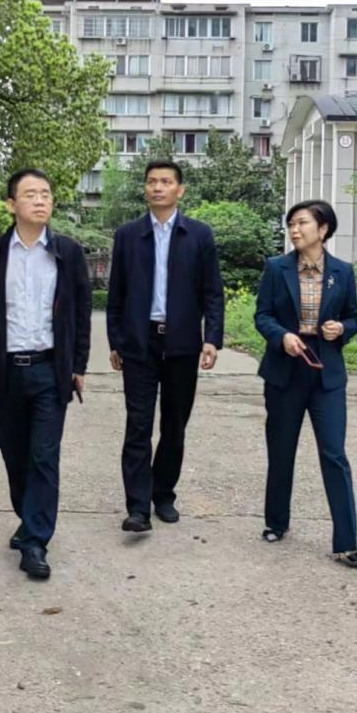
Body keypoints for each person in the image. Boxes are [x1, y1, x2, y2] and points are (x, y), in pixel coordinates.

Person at [0, 168, 90, 581]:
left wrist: (78, 365)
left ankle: (36, 540)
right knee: (14, 454)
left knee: (44, 456)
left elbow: (81, 313)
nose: (40, 200)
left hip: (49, 371)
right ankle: (28, 518)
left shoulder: (67, 251)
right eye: (30, 194)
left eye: (46, 194)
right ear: (11, 204)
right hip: (6, 372)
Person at [106, 160, 224, 532]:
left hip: (182, 343)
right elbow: (116, 294)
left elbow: (213, 292)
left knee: (174, 425)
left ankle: (163, 493)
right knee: (138, 425)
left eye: (166, 182)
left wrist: (212, 338)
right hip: (139, 344)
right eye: (152, 181)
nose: (158, 187)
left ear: (179, 190)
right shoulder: (128, 235)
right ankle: (138, 507)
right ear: (145, 188)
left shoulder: (199, 235)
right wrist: (116, 341)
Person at [253, 200, 357, 566]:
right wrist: (282, 336)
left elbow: (353, 318)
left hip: (326, 370)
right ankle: (276, 522)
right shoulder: (277, 268)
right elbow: (262, 315)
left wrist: (341, 328)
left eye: (302, 223)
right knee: (281, 449)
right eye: (291, 224)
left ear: (323, 229)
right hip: (285, 367)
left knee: (334, 453)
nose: (295, 230)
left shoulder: (343, 272)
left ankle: (347, 542)